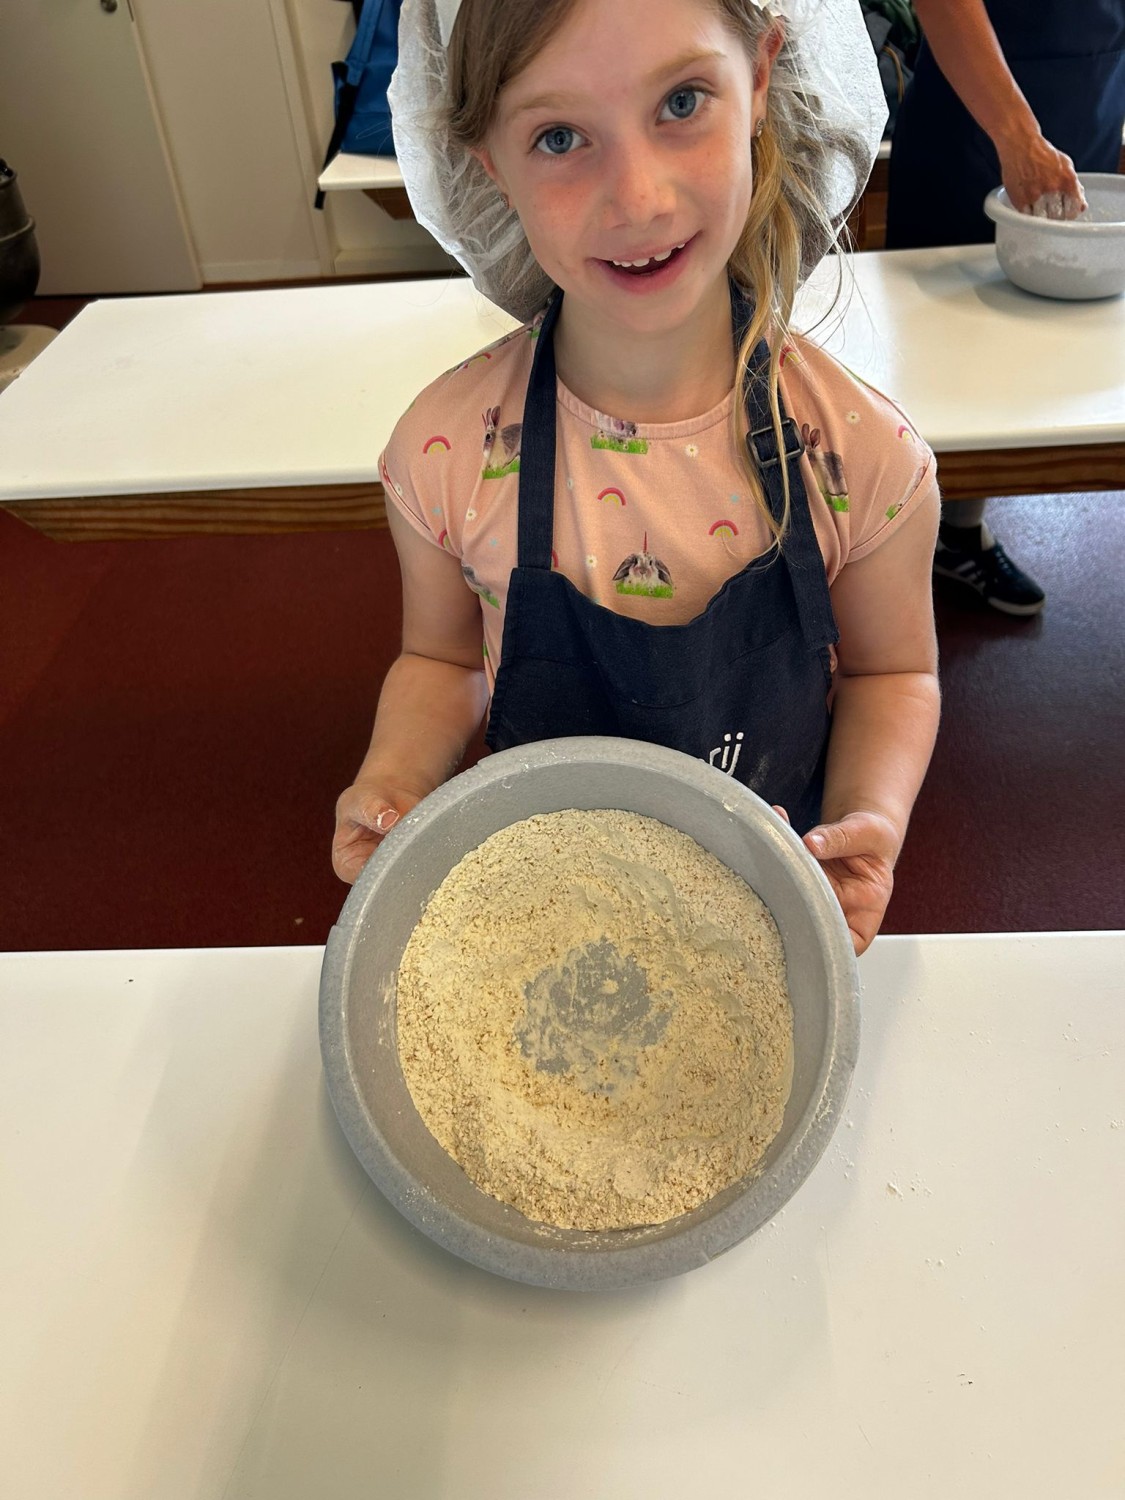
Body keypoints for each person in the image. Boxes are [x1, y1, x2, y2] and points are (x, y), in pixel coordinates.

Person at [332, 0, 942, 956]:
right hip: (546, 920)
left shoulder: (859, 457)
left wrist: (869, 816)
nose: (638, 198)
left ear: (759, 81)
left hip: (761, 918)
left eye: (681, 101)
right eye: (559, 136)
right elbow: (442, 662)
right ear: (487, 163)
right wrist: (396, 778)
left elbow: (892, 672)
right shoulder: (446, 454)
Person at [886, 0, 1125, 615]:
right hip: (977, 117)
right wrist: (1016, 135)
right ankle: (879, 551)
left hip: (1091, 100)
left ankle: (958, 534)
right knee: (942, 354)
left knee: (1047, 346)